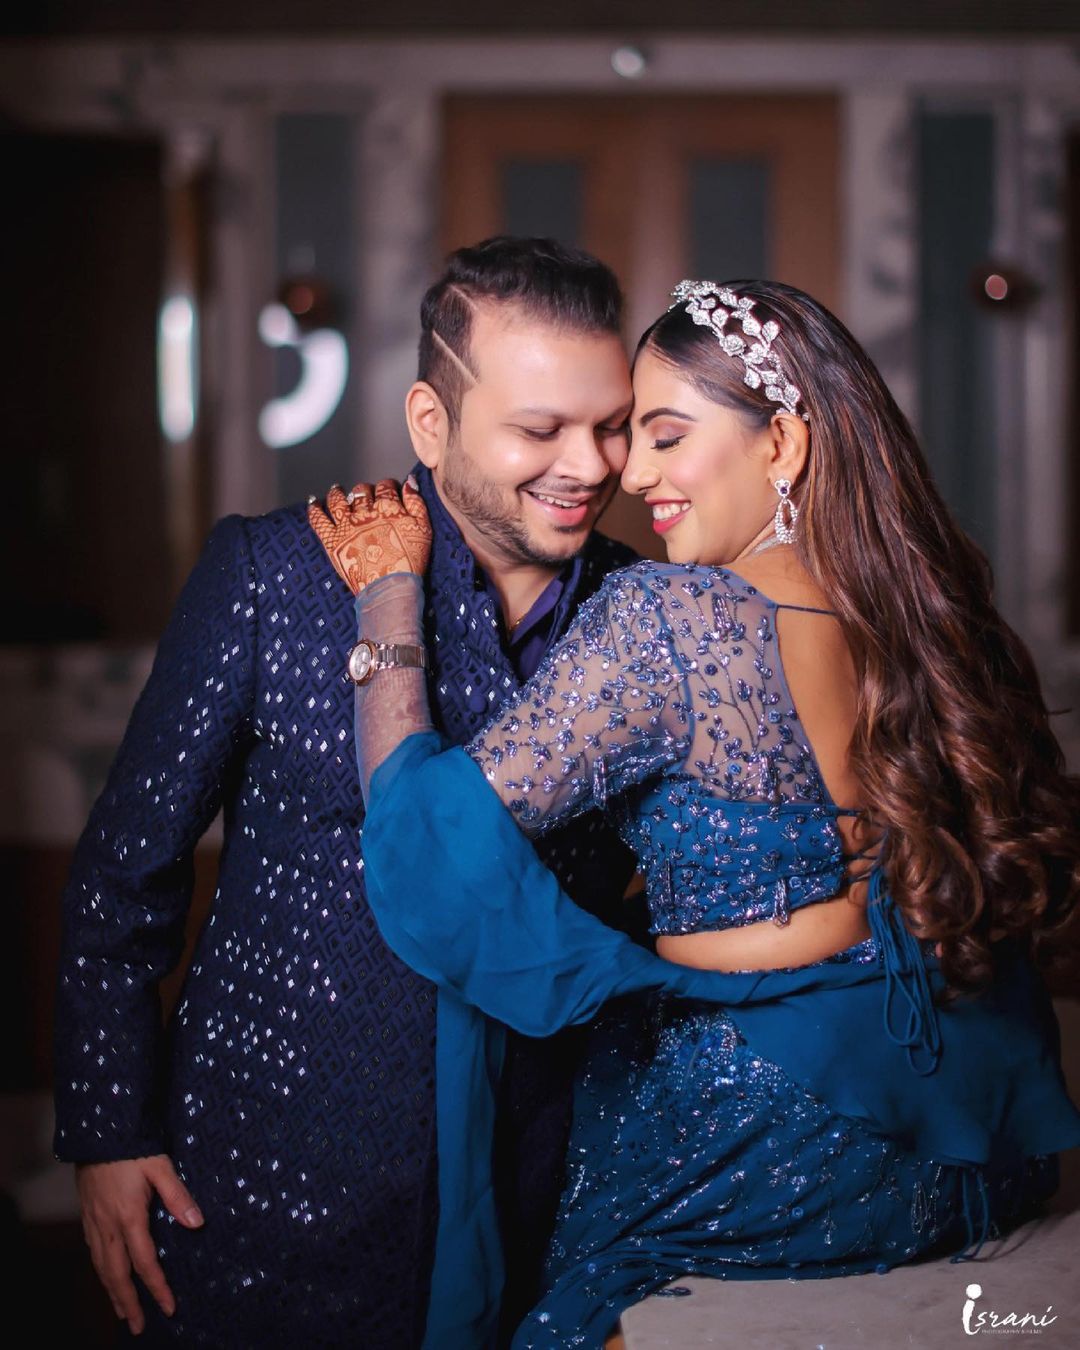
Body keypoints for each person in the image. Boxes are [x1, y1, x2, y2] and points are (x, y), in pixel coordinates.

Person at [329, 279, 1080, 1349]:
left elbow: (424, 843)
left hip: (766, 1141)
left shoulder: (671, 617)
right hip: (968, 1140)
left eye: (666, 437)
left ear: (782, 445)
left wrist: (386, 604)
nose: (631, 474)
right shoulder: (922, 611)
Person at [53, 236, 643, 1347]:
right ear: (432, 422)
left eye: (613, 424)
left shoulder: (643, 612)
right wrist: (108, 1130)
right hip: (266, 1183)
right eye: (540, 429)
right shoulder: (275, 578)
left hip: (546, 1186)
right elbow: (125, 875)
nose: (590, 464)